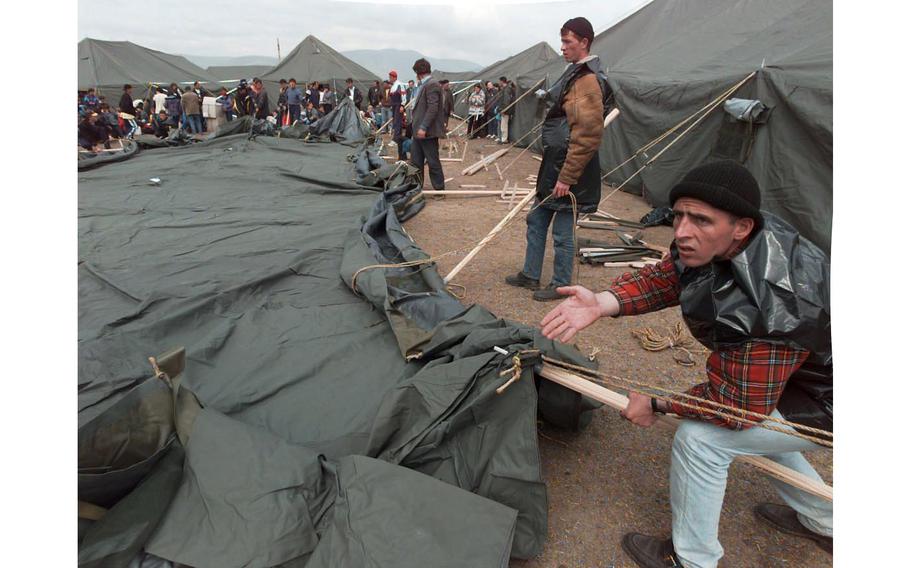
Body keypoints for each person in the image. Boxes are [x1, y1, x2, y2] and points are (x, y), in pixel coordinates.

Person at [540, 160, 833, 568]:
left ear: (742, 226)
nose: (681, 231)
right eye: (678, 215)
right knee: (762, 430)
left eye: (699, 220)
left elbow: (736, 406)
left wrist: (657, 404)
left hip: (830, 402)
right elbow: (666, 277)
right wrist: (603, 303)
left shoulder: (775, 304)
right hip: (803, 374)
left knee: (701, 440)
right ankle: (827, 522)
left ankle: (693, 560)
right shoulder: (734, 236)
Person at [505, 16, 611, 301]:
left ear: (584, 43)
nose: (562, 47)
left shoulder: (587, 80)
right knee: (536, 220)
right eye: (562, 41)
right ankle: (530, 274)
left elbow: (587, 134)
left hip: (570, 173)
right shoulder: (574, 74)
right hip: (554, 167)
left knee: (563, 233)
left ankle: (561, 284)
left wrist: (567, 176)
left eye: (568, 42)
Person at [408, 58, 446, 191]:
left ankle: (439, 189)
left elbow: (433, 108)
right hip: (418, 132)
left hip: (427, 132)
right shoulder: (424, 85)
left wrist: (423, 127)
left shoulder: (432, 84)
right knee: (416, 162)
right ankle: (416, 188)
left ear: (419, 73)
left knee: (432, 161)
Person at [497, 76, 515, 144]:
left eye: (499, 81)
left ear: (502, 81)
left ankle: (504, 139)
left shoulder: (507, 89)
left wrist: (503, 110)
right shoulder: (505, 89)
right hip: (504, 110)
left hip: (506, 110)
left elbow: (506, 101)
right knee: (503, 125)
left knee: (504, 125)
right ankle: (503, 138)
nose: (499, 83)